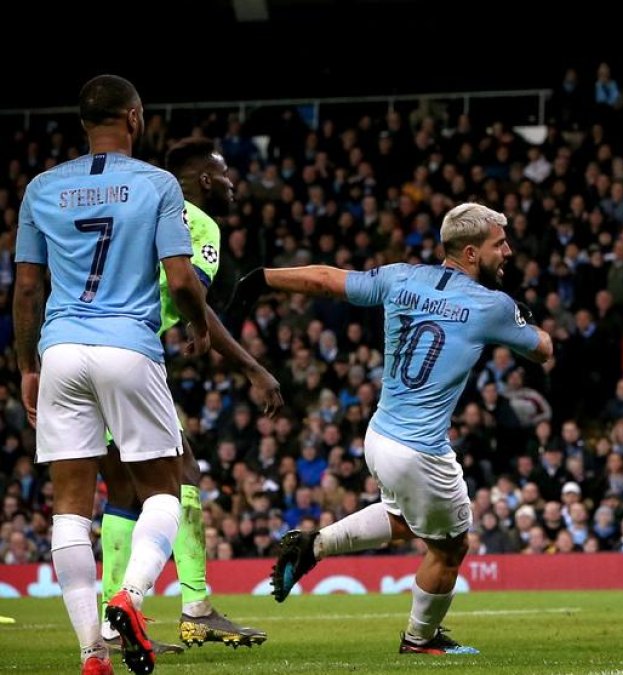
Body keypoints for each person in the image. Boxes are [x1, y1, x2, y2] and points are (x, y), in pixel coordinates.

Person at [224, 202, 552, 656]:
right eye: (501, 244)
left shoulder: (399, 277)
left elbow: (324, 279)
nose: (509, 252)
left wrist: (260, 278)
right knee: (451, 547)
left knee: (405, 519)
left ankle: (314, 546)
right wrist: (522, 318)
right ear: (472, 253)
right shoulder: (491, 306)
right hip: (421, 449)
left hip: (379, 436)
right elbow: (543, 350)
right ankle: (420, 639)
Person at [14, 75, 212, 675]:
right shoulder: (157, 184)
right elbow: (180, 278)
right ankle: (129, 597)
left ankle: (90, 653)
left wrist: (28, 367)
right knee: (167, 487)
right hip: (128, 345)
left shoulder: (41, 188)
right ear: (135, 116)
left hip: (62, 351)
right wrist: (199, 324)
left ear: (83, 123)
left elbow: (26, 288)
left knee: (70, 509)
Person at [96, 137, 283, 653]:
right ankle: (195, 610)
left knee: (123, 491)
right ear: (204, 180)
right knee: (183, 477)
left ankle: (112, 623)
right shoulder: (195, 221)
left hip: (74, 348)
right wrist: (251, 367)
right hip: (128, 356)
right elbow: (189, 290)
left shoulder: (133, 208)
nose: (231, 185)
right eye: (224, 176)